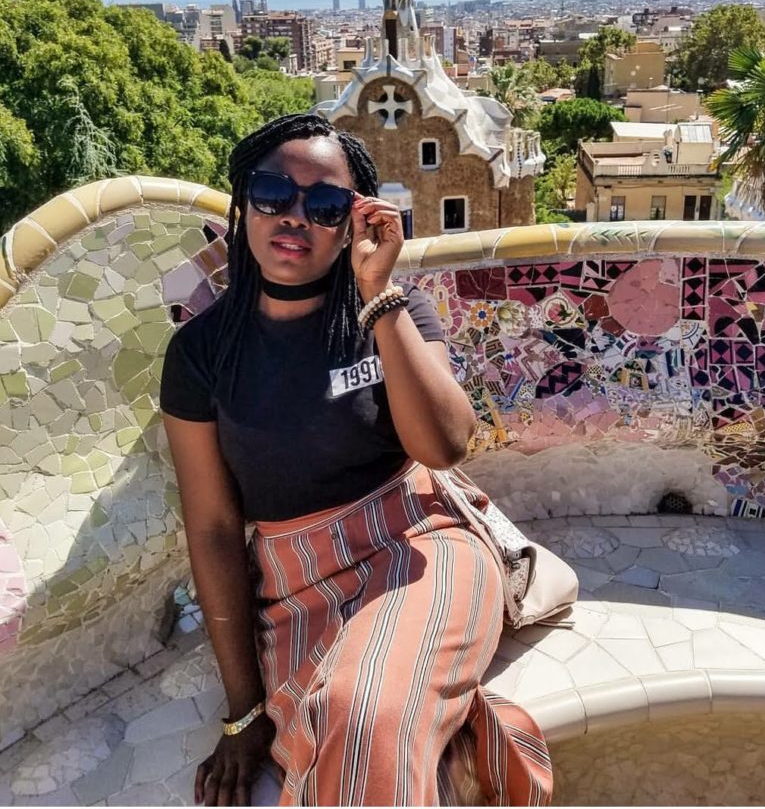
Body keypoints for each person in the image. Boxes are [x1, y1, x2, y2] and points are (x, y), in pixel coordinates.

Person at [160, 113, 552, 807]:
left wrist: (378, 295)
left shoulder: (396, 313)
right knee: (327, 727)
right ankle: (470, 746)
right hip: (293, 587)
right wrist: (244, 711)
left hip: (419, 543)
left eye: (325, 204)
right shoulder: (200, 354)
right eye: (272, 194)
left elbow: (445, 445)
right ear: (243, 202)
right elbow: (215, 529)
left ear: (353, 220)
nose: (294, 217)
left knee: (362, 709)